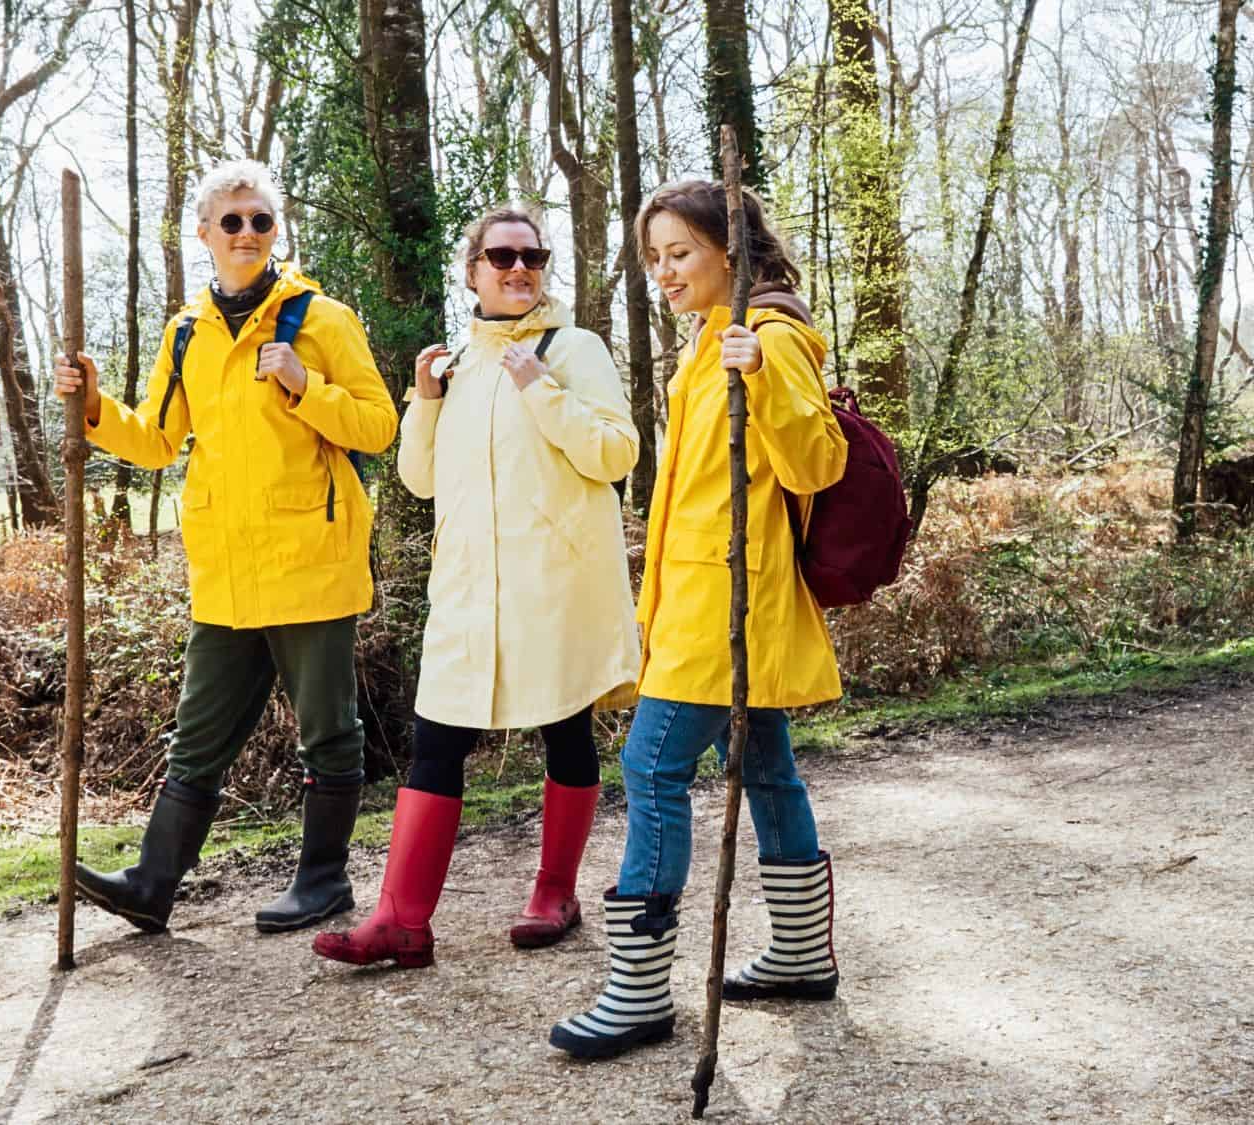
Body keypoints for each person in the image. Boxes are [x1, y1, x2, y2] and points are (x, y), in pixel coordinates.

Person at [54, 160, 398, 935]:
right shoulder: (185, 334)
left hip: (311, 558)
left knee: (328, 730)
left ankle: (324, 882)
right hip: (227, 571)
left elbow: (379, 426)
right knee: (198, 732)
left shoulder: (323, 318)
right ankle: (151, 883)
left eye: (261, 220)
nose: (248, 233)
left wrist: (308, 385)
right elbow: (157, 439)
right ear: (204, 233)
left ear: (278, 231)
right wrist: (96, 404)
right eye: (232, 221)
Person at [549, 181, 849, 1061]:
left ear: (729, 248)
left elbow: (817, 463)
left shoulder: (772, 336)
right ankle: (799, 953)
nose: (665, 272)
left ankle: (638, 991)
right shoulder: (704, 342)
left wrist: (766, 375)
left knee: (650, 764)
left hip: (730, 604)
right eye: (655, 258)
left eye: (680, 252)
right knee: (766, 766)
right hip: (694, 599)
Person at [311, 206, 640, 969]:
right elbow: (419, 479)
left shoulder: (574, 348)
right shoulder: (456, 362)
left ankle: (555, 893)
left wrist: (540, 389)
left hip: (554, 584)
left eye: (533, 256)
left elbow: (616, 453)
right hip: (467, 590)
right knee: (437, 738)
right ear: (473, 270)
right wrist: (424, 400)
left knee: (564, 728)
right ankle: (401, 919)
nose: (519, 267)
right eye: (502, 256)